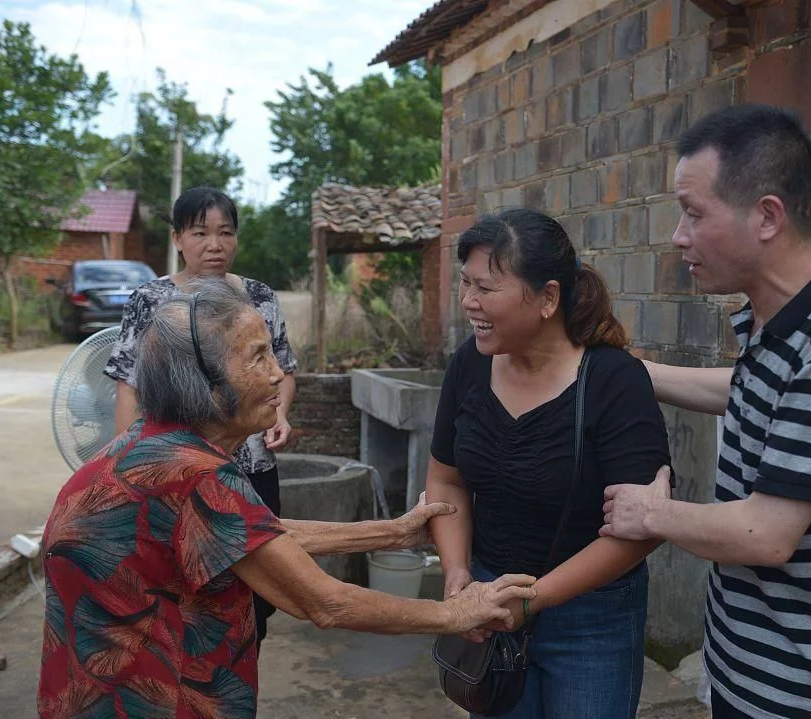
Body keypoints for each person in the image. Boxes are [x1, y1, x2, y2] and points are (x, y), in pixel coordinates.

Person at [39, 277, 536, 719]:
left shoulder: (152, 443)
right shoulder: (194, 475)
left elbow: (257, 534)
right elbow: (323, 602)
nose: (278, 374)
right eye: (257, 357)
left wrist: (391, 531)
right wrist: (456, 613)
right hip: (150, 699)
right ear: (204, 387)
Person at [600, 105, 811, 719]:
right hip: (757, 671)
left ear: (767, 216)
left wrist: (652, 513)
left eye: (694, 214)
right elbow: (757, 393)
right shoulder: (785, 314)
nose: (678, 235)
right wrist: (634, 374)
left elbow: (766, 535)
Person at [426, 208, 671, 719]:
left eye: (486, 288)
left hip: (592, 617)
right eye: (465, 284)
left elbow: (642, 528)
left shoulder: (613, 381)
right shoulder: (469, 364)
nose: (469, 303)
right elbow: (446, 478)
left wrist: (533, 601)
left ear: (548, 298)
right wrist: (457, 575)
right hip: (491, 600)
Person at [104, 186, 294, 645]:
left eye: (225, 233)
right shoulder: (151, 300)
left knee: (258, 585)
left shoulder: (258, 296)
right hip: (176, 470)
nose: (215, 244)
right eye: (200, 233)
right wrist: (128, 459)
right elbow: (129, 384)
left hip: (250, 466)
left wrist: (281, 413)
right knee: (184, 583)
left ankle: (242, 665)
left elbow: (283, 370)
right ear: (177, 239)